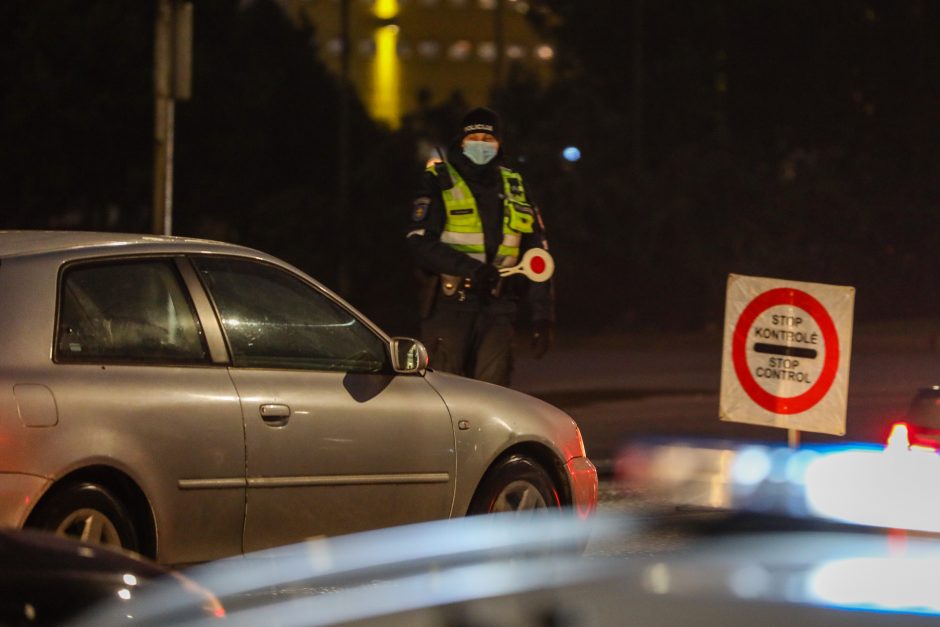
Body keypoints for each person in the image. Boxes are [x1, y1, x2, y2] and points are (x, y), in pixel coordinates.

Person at [405, 106, 554, 386]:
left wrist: (542, 315)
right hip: (449, 308)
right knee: (444, 397)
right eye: (474, 139)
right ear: (461, 142)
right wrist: (473, 269)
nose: (481, 145)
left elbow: (538, 257)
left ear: (499, 144)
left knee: (493, 399)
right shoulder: (438, 181)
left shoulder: (515, 186)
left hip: (499, 309)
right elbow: (419, 242)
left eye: (489, 139)